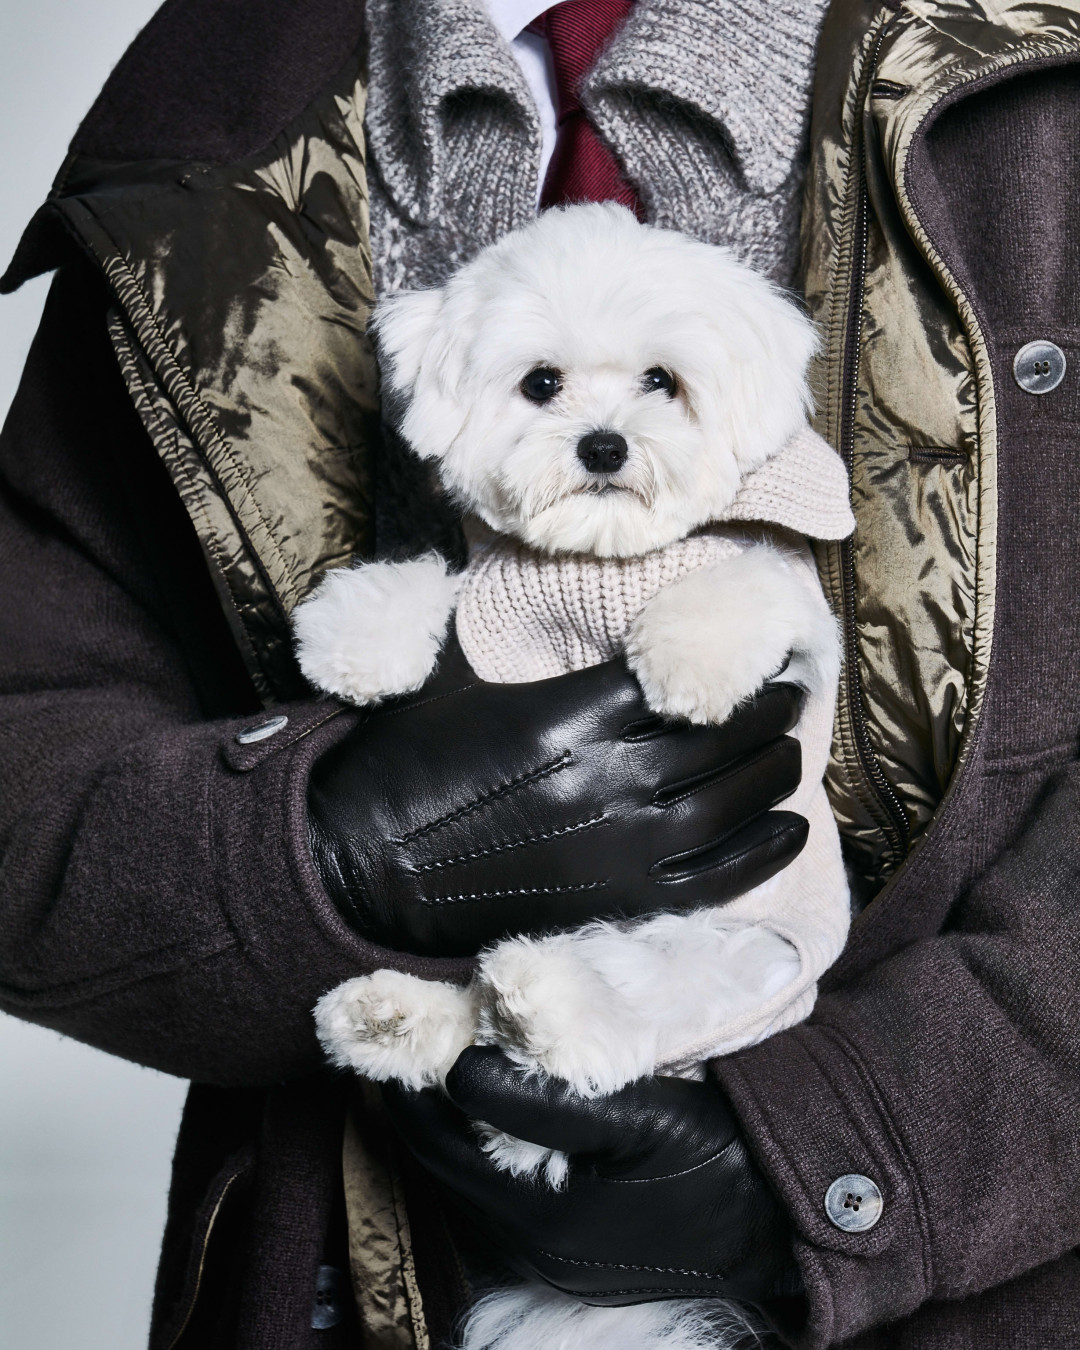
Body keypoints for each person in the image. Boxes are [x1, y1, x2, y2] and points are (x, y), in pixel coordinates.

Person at [1, 1, 1079, 1348]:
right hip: (354, 1276)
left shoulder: (1040, 78)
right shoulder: (219, 97)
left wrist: (850, 1148)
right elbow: (25, 740)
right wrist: (312, 852)